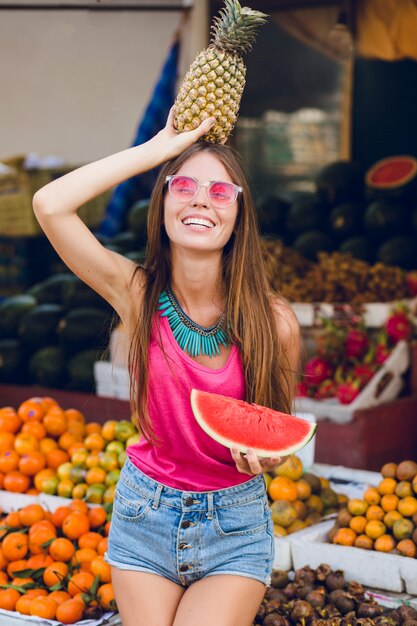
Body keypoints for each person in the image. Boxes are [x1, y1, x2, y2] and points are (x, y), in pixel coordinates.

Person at [33, 109, 301, 626]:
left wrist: (267, 460)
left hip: (235, 521)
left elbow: (277, 438)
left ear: (239, 216)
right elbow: (50, 204)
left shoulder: (276, 322)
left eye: (221, 193)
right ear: (162, 206)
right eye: (185, 187)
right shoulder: (136, 294)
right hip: (144, 512)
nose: (202, 199)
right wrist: (158, 150)